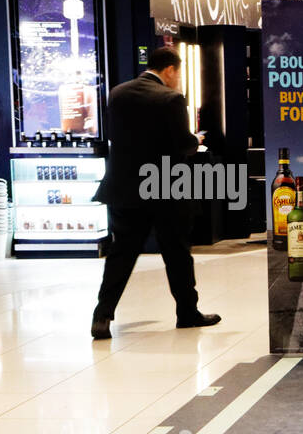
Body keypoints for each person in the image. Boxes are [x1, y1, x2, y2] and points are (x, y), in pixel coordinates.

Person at [90, 47, 219, 340]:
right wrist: (194, 141)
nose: (178, 79)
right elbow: (182, 145)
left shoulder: (118, 93)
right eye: (179, 73)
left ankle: (102, 316)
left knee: (120, 254)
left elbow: (114, 135)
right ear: (170, 70)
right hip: (165, 188)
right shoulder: (171, 99)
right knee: (177, 253)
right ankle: (187, 313)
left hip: (123, 187)